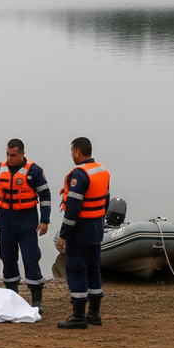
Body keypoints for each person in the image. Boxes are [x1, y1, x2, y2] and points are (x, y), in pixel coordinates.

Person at [0, 138, 51, 314]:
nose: (9, 158)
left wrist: (45, 220)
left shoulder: (34, 171)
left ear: (22, 154)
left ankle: (36, 300)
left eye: (13, 155)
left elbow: (45, 197)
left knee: (30, 258)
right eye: (7, 154)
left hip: (27, 219)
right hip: (5, 219)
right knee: (7, 258)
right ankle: (11, 297)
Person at [55, 137, 110, 329]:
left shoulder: (78, 175)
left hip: (80, 231)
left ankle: (78, 316)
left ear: (77, 152)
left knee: (76, 270)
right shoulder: (102, 171)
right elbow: (106, 200)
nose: (71, 155)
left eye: (72, 151)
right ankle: (94, 313)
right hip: (96, 228)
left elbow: (72, 210)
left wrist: (63, 235)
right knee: (93, 269)